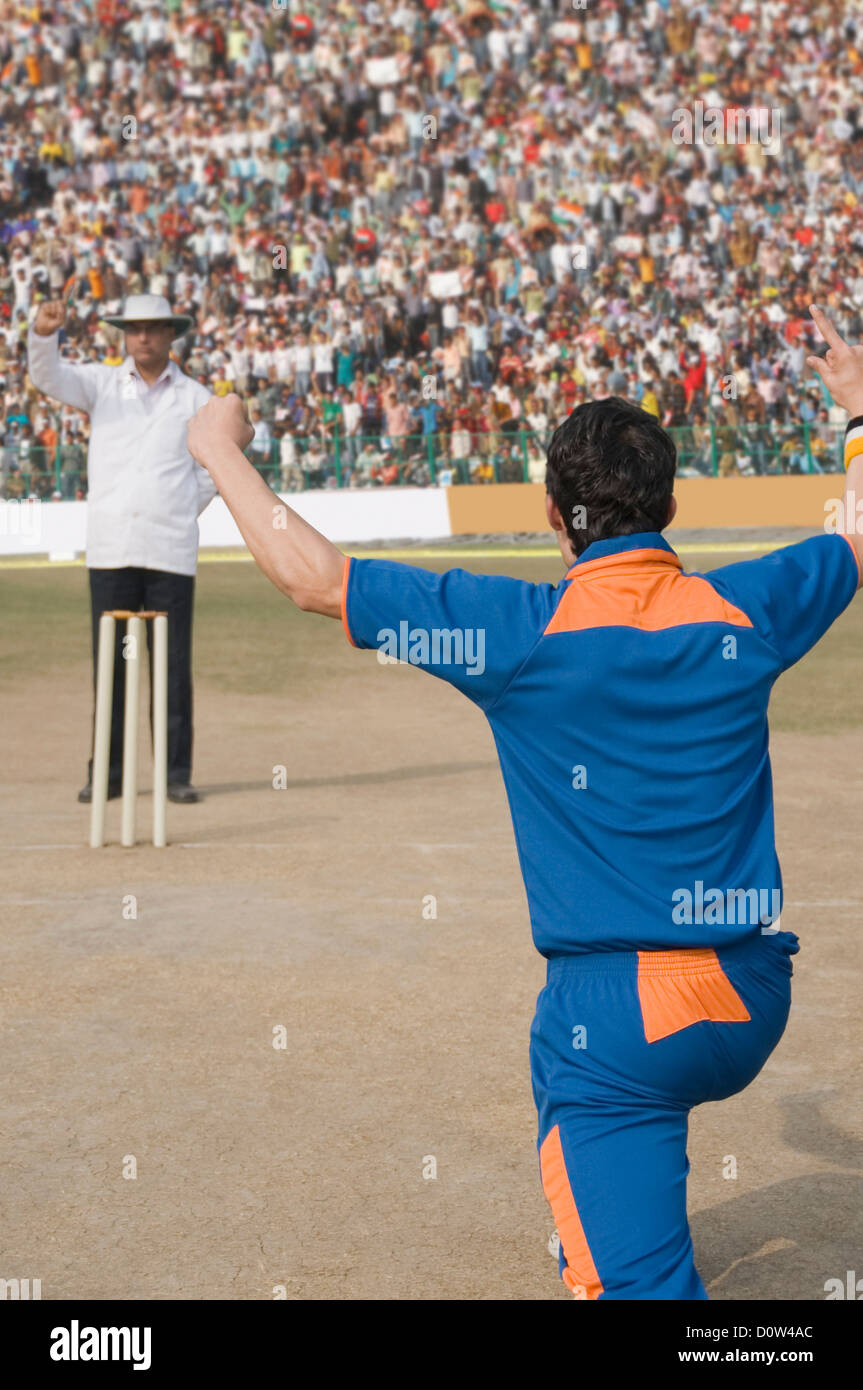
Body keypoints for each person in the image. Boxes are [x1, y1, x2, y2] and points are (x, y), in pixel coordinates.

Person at [184, 304, 863, 1300]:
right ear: (666, 506)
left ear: (553, 516)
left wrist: (212, 446)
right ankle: (597, 1220)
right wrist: (855, 410)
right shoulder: (749, 608)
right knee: (577, 1069)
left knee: (595, 1135)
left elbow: (312, 578)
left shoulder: (514, 631)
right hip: (752, 991)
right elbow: (854, 531)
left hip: (620, 1017)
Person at [28, 293, 217, 805]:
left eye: (154, 328)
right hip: (111, 549)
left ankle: (175, 775)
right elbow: (47, 377)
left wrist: (176, 508)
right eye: (134, 329)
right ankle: (107, 775)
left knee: (173, 667)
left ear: (171, 334)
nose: (144, 337)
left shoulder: (197, 398)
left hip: (170, 550)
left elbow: (213, 470)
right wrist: (43, 334)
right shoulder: (100, 384)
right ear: (123, 335)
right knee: (110, 667)